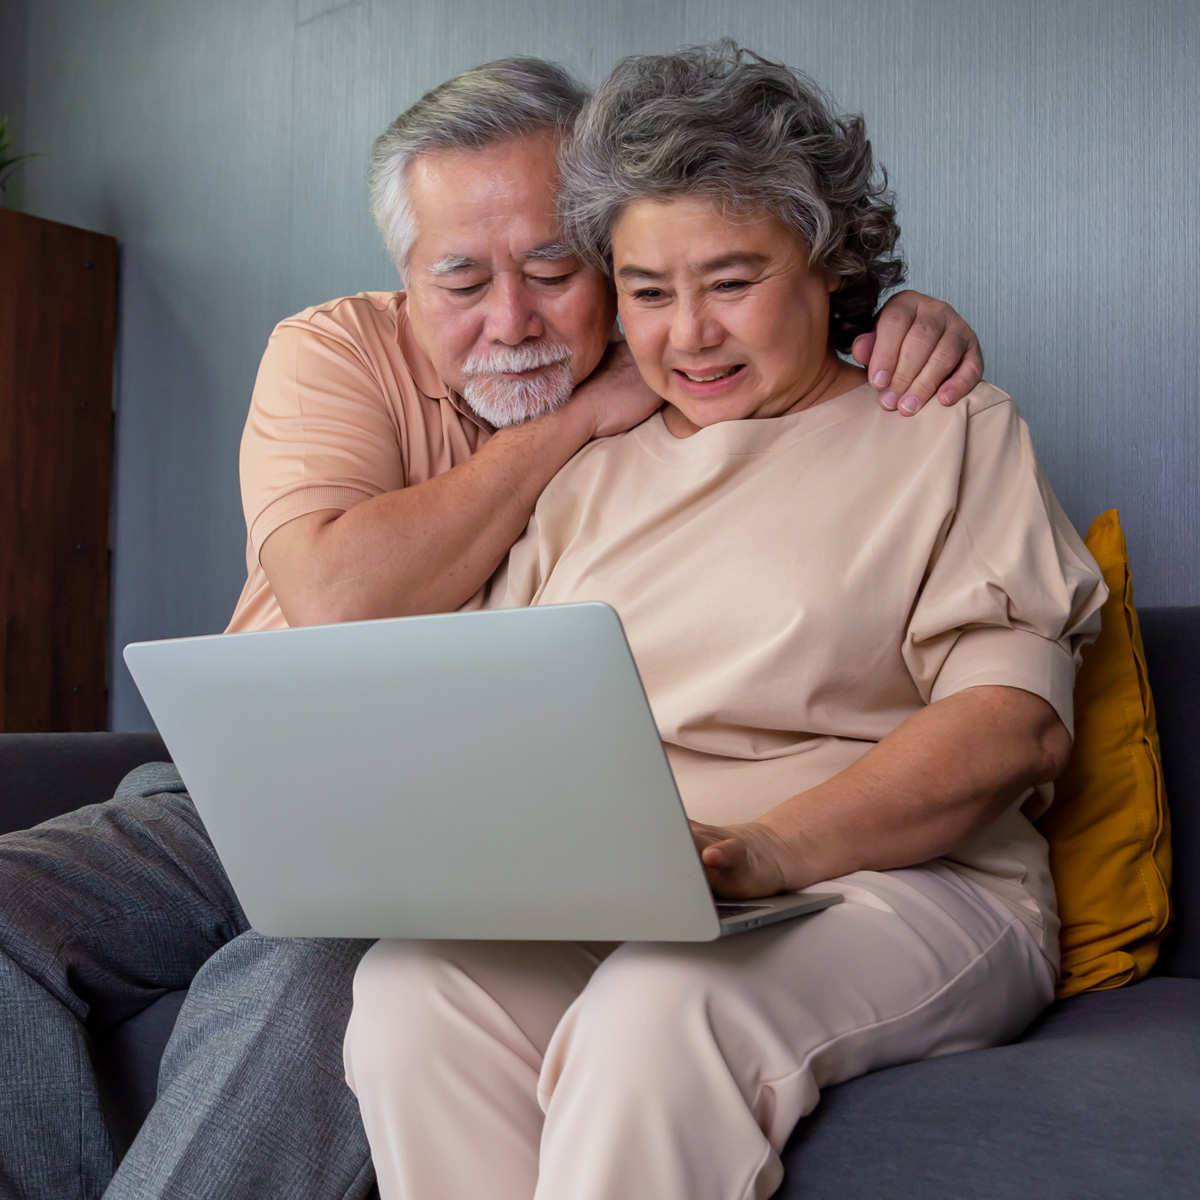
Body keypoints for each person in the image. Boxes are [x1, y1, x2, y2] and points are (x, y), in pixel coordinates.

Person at [0, 58, 985, 1200]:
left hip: (464, 842)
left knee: (313, 984)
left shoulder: (677, 351)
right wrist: (573, 421)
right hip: (242, 802)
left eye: (556, 271)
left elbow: (788, 305)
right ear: (405, 278)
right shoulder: (338, 352)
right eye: (460, 279)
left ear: (609, 256)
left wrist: (907, 318)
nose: (510, 320)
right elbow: (336, 600)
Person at [342, 43, 1108, 1200]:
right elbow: (502, 717)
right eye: (648, 291)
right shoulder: (585, 468)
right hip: (640, 897)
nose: (687, 334)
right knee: (410, 990)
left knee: (663, 1008)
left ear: (829, 265)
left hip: (899, 886)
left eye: (733, 281)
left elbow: (1013, 728)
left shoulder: (946, 430)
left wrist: (771, 853)